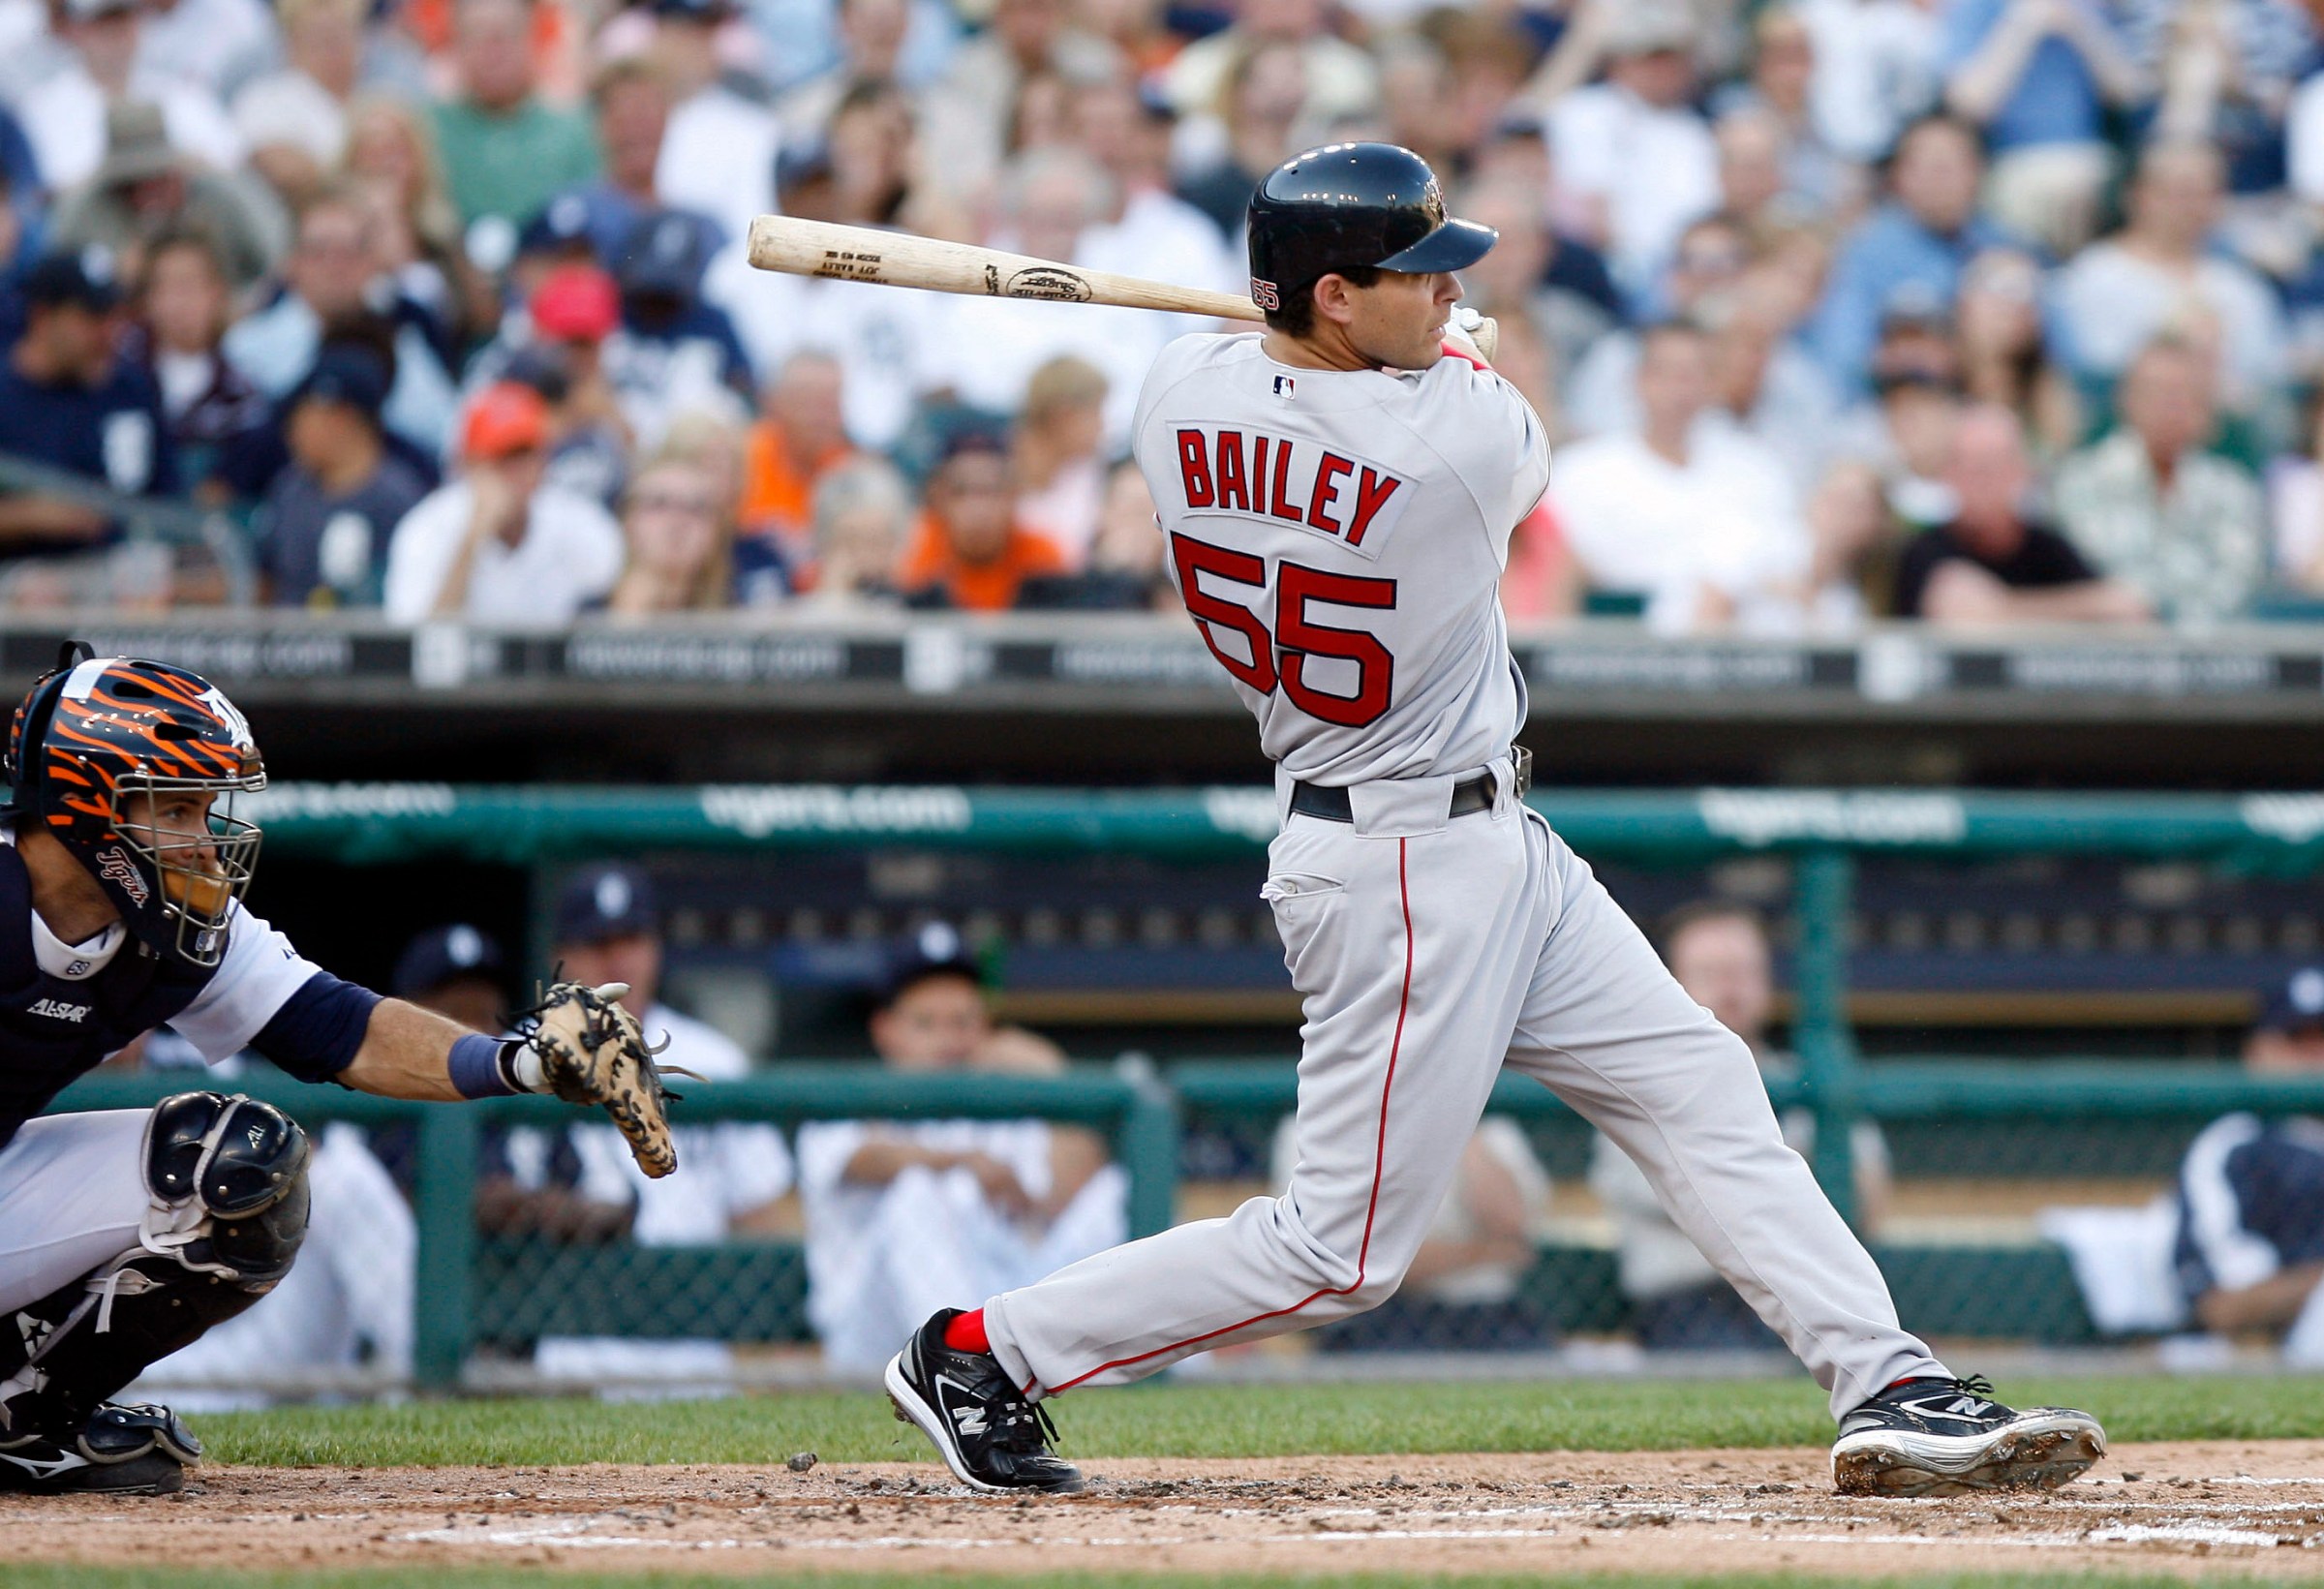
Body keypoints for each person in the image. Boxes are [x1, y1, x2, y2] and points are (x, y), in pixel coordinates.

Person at [880, 140, 2104, 1500]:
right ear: (1334, 295)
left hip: (1481, 838)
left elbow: (1299, 374)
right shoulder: (1455, 446)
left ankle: (1886, 1378)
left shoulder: (1175, 395)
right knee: (1340, 1252)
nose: (1449, 291)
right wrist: (1441, 354)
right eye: (1417, 274)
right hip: (1401, 862)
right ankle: (983, 1352)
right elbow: (1462, 400)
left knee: (1698, 1085)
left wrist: (1387, 339)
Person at [0, 649, 673, 1493]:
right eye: (174, 807)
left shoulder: (175, 929)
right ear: (84, 805)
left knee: (240, 1167)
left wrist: (520, 1060)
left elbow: (341, 1025)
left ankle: (20, 1419)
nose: (201, 842)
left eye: (203, 808)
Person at [796, 922, 1126, 1371]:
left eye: (962, 1021)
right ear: (885, 1029)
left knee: (1114, 1191)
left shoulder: (1004, 1109)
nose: (948, 1039)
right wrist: (962, 1163)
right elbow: (863, 1159)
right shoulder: (849, 1101)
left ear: (985, 1026)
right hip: (870, 1337)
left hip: (994, 1304)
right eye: (926, 1023)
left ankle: (1178, 1371)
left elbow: (1066, 1196)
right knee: (917, 1191)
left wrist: (1049, 1072)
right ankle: (964, 1374)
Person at [529, 864, 795, 1388]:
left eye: (632, 940)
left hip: (696, 1348)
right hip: (564, 1346)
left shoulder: (714, 1061)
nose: (618, 960)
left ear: (655, 948)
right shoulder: (518, 1059)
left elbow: (765, 1215)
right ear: (562, 956)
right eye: (598, 943)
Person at [1591, 902, 1892, 1350]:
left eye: (1744, 972)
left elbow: (1866, 1197)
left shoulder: (1807, 1078)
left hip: (1812, 1300)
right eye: (1711, 973)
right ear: (1669, 983)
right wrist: (1800, 1186)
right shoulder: (1634, 1083)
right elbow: (1703, 1207)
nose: (1730, 989)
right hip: (1689, 1304)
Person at [1546, 320, 1809, 632]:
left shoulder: (1758, 469)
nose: (1679, 390)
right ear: (1638, 380)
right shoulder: (1580, 472)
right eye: (1666, 373)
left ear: (1713, 382)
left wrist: (1725, 581)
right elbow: (1561, 574)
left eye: (1692, 375)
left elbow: (1790, 564)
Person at [2051, 139, 2288, 422]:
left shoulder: (2242, 286)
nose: (2193, 205)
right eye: (2181, 192)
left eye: (2207, 193)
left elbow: (2269, 380)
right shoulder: (2093, 277)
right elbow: (2093, 380)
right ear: (2137, 194)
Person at [222, 188, 460, 460]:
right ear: (292, 263)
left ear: (371, 262)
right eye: (320, 251)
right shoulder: (247, 347)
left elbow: (444, 433)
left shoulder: (400, 341)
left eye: (350, 251)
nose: (336, 266)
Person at [2053, 337, 2268, 626]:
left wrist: (2161, 618)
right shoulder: (2077, 482)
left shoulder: (2233, 490)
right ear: (2126, 399)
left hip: (2211, 648)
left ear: (2205, 408)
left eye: (2183, 394)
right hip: (2104, 646)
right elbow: (2087, 579)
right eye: (2157, 392)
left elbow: (2238, 585)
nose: (2170, 406)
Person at [2172, 965, 2324, 1364]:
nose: (2318, 1056)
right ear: (2259, 1051)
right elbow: (2223, 1307)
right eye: (2300, 1039)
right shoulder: (2237, 1148)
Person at [382, 382, 625, 623]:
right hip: (465, 650)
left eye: (526, 454)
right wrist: (471, 539)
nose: (517, 472)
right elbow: (419, 638)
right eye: (502, 459)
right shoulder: (428, 527)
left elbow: (617, 613)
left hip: (550, 650)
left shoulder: (576, 520)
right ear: (468, 465)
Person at [1809, 112, 2014, 395]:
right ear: (1899, 176)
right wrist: (1903, 360)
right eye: (1925, 166)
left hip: (1982, 398)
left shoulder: (2002, 245)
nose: (1938, 180)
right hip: (1893, 400)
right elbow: (1842, 353)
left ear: (1977, 172)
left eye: (1948, 167)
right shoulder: (1867, 251)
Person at [1893, 403, 2151, 624]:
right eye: (1966, 465)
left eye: (1991, 466)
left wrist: (2001, 608)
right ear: (1946, 473)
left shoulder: (2048, 549)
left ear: (2022, 471)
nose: (1980, 481)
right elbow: (1955, 617)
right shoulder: (1925, 553)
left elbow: (2123, 606)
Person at [1538, 0, 1721, 296]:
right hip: (1608, 268)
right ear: (1620, 61)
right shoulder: (1585, 111)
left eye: (1673, 59)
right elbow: (1590, 211)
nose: (1664, 70)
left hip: (1683, 271)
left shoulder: (1695, 130)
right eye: (1651, 59)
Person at [0, 249, 176, 555]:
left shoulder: (130, 389)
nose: (109, 332)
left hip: (125, 570)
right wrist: (28, 515)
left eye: (114, 316)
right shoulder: (7, 395)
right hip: (20, 573)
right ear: (43, 317)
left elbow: (171, 502)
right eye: (92, 318)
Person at [1939, 0, 2145, 256]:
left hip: (2091, 158)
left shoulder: (2093, 7)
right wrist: (2023, 26)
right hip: (2011, 161)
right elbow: (1969, 104)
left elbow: (2129, 95)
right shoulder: (1978, 7)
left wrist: (2083, 29)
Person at [46, 101, 287, 296]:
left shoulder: (220, 199)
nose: (146, 195)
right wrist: (116, 279)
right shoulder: (84, 214)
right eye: (130, 185)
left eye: (156, 179)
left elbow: (271, 264)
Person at [255, 344, 430, 608]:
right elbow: (264, 583)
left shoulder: (398, 499)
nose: (291, 434)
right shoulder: (289, 489)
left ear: (340, 418)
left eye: (300, 419)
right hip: (287, 632)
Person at [17, 0, 243, 193]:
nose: (116, 34)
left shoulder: (185, 95)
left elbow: (230, 168)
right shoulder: (43, 110)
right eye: (103, 23)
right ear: (75, 29)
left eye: (123, 20)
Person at [130, 229, 274, 506]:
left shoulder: (241, 397)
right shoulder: (116, 376)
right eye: (165, 287)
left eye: (189, 285)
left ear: (217, 293)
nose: (178, 302)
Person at [429, 0, 600, 229]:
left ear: (532, 39)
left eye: (504, 36)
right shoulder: (428, 131)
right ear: (456, 46)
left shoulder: (574, 130)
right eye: (477, 36)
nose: (493, 52)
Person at [896, 430, 1067, 611]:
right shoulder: (916, 557)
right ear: (938, 499)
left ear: (1014, 496)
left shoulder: (1042, 560)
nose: (978, 508)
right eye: (961, 492)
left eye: (991, 491)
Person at [604, 451, 732, 613]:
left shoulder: (742, 611)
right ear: (628, 520)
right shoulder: (583, 614)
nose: (678, 521)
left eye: (696, 508)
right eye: (659, 503)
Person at [1011, 355, 1107, 566]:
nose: (1102, 425)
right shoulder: (997, 477)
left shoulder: (1093, 474)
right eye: (1095, 412)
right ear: (1063, 416)